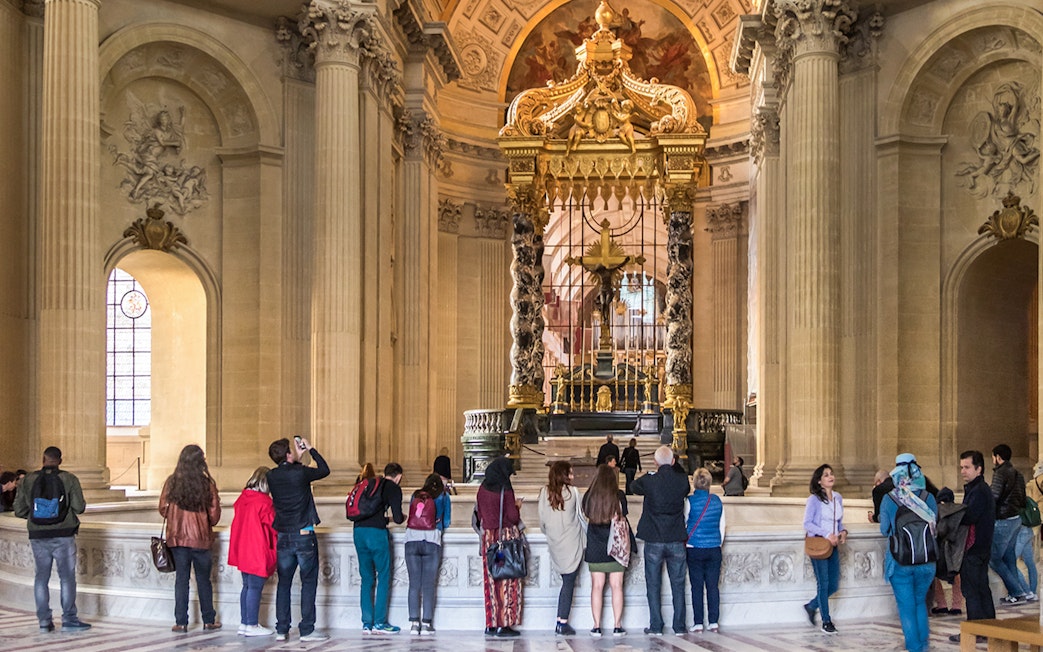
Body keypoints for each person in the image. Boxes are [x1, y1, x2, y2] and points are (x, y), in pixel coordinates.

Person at [13, 446, 90, 632]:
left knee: (41, 577)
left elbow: (19, 510)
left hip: (38, 536)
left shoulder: (28, 480)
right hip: (64, 535)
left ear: (43, 459)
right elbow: (79, 507)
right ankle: (69, 619)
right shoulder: (69, 479)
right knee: (67, 578)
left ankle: (44, 621)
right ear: (60, 461)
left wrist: (38, 518)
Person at [267, 436, 331, 642]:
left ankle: (281, 628)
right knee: (308, 582)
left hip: (284, 535)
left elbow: (292, 475)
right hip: (303, 533)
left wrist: (297, 457)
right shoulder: (300, 473)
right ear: (287, 454)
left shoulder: (272, 475)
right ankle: (307, 629)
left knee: (283, 583)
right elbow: (324, 470)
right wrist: (310, 449)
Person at [159, 444, 222, 633]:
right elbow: (215, 516)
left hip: (178, 539)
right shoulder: (206, 484)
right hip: (201, 539)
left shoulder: (172, 483)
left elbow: (163, 509)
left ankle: (181, 622)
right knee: (204, 580)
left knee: (182, 580)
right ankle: (209, 620)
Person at [879, 453, 937, 652]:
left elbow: (884, 529)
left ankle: (914, 648)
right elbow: (935, 526)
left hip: (900, 561)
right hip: (927, 560)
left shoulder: (889, 499)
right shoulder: (928, 496)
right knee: (920, 602)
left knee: (906, 607)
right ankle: (923, 645)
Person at [632, 445, 691, 635]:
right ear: (673, 461)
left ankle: (656, 625)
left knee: (653, 584)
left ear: (655, 462)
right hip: (676, 537)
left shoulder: (650, 481)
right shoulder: (682, 481)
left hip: (654, 538)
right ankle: (679, 626)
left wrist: (649, 475)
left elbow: (633, 487)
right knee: (678, 583)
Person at [950, 450, 996, 644]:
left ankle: (975, 631)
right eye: (961, 467)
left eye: (967, 467)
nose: (963, 471)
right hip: (981, 548)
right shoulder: (978, 489)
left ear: (979, 469)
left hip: (975, 549)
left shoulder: (979, 491)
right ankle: (988, 629)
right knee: (981, 589)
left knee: (972, 591)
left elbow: (969, 517)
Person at [354, 462, 405, 634]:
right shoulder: (393, 488)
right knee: (383, 576)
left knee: (366, 579)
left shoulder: (370, 483)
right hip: (376, 534)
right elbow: (398, 518)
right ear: (398, 476)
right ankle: (380, 622)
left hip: (358, 532)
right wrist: (396, 518)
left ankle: (366, 623)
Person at [476, 456, 523, 637]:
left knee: (491, 580)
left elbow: (480, 513)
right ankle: (505, 624)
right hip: (504, 542)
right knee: (507, 579)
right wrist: (517, 506)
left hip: (489, 540)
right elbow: (512, 517)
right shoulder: (506, 489)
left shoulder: (482, 489)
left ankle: (491, 623)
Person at [228, 466, 277, 637]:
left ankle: (244, 622)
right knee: (255, 588)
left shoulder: (243, 498)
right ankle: (252, 624)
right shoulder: (264, 502)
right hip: (258, 549)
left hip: (243, 549)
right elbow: (274, 526)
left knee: (247, 587)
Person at [537, 461, 586, 636]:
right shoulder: (573, 492)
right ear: (564, 475)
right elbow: (581, 517)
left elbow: (541, 521)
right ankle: (562, 622)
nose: (573, 476)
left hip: (554, 542)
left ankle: (560, 619)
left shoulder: (544, 492)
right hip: (572, 542)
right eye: (570, 473)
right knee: (568, 582)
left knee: (566, 581)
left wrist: (551, 532)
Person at [583, 464, 630, 637]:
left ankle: (596, 626)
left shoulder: (589, 496)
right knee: (617, 586)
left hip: (595, 546)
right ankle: (617, 625)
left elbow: (585, 513)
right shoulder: (619, 496)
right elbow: (624, 514)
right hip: (615, 547)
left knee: (596, 586)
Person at [802, 463, 846, 634]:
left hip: (833, 545)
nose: (830, 477)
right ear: (819, 481)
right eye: (826, 475)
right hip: (819, 544)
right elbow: (807, 523)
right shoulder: (813, 500)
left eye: (831, 473)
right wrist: (827, 534)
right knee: (824, 583)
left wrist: (842, 532)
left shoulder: (838, 498)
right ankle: (826, 620)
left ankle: (811, 606)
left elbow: (839, 522)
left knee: (833, 585)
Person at [405, 472, 450, 635]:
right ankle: (426, 623)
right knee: (428, 585)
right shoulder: (443, 496)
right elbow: (447, 522)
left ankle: (413, 623)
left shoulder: (416, 495)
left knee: (414, 584)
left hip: (411, 539)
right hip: (432, 539)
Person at [988, 444, 1033, 603]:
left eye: (993, 456)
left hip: (1003, 520)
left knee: (993, 558)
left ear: (998, 457)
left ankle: (1016, 590)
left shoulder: (1000, 474)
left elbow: (994, 497)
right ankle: (1020, 593)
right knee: (1008, 558)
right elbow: (1022, 499)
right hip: (1016, 519)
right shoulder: (1018, 474)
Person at [685, 467, 725, 633]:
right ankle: (714, 621)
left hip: (694, 547)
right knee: (713, 586)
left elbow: (685, 522)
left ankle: (698, 622)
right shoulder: (717, 501)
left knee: (697, 587)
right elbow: (722, 526)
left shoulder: (689, 501)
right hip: (714, 547)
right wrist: (717, 542)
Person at [931, 487, 965, 617]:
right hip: (957, 548)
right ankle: (957, 606)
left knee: (934, 575)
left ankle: (942, 604)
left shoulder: (938, 510)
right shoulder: (961, 510)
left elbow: (938, 530)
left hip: (941, 548)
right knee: (957, 575)